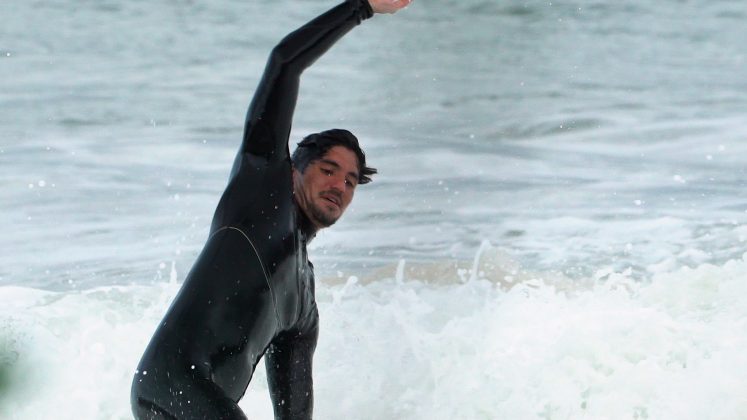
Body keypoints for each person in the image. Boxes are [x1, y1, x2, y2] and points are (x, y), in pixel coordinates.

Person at [130, 0, 411, 419]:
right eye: (329, 170)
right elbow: (285, 63)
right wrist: (363, 7)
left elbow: (294, 411)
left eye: (350, 181)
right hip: (173, 384)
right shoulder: (261, 191)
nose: (339, 186)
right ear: (294, 171)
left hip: (205, 405)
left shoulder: (303, 304)